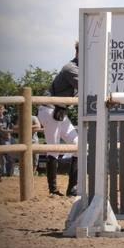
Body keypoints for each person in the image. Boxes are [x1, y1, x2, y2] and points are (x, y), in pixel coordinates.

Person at [37, 41, 79, 196]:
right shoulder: (71, 68)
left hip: (60, 111)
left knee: (80, 146)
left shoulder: (78, 68)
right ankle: (53, 190)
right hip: (50, 110)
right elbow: (86, 87)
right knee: (53, 148)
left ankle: (72, 188)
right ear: (79, 52)